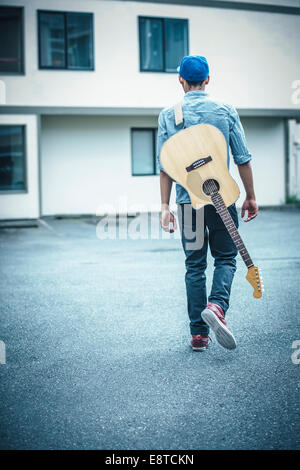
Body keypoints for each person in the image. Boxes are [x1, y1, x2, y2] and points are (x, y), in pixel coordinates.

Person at [157, 55, 258, 351]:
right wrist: (250, 195)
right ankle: (216, 306)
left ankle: (199, 335)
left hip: (188, 203)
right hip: (221, 198)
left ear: (180, 81)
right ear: (208, 80)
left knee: (194, 266)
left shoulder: (168, 115)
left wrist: (164, 207)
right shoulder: (225, 110)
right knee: (226, 258)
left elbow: (164, 167)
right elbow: (243, 158)